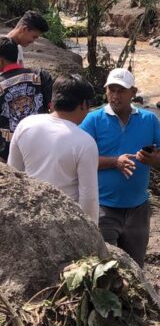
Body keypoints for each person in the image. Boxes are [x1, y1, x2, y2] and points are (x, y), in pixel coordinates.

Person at [80, 68, 160, 267]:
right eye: (112, 89)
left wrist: (152, 159)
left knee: (135, 266)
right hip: (103, 208)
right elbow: (78, 159)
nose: (115, 95)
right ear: (105, 91)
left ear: (133, 93)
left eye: (121, 90)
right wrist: (115, 162)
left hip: (138, 209)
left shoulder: (149, 119)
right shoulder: (93, 120)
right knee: (106, 266)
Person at [8, 76, 99, 223]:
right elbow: (89, 197)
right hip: (65, 222)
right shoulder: (85, 142)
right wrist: (93, 234)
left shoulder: (25, 125)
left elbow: (13, 174)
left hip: (29, 217)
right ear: (83, 105)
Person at [0, 37, 53, 161]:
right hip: (42, 145)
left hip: (9, 153)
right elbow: (54, 108)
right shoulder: (41, 76)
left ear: (1, 60)